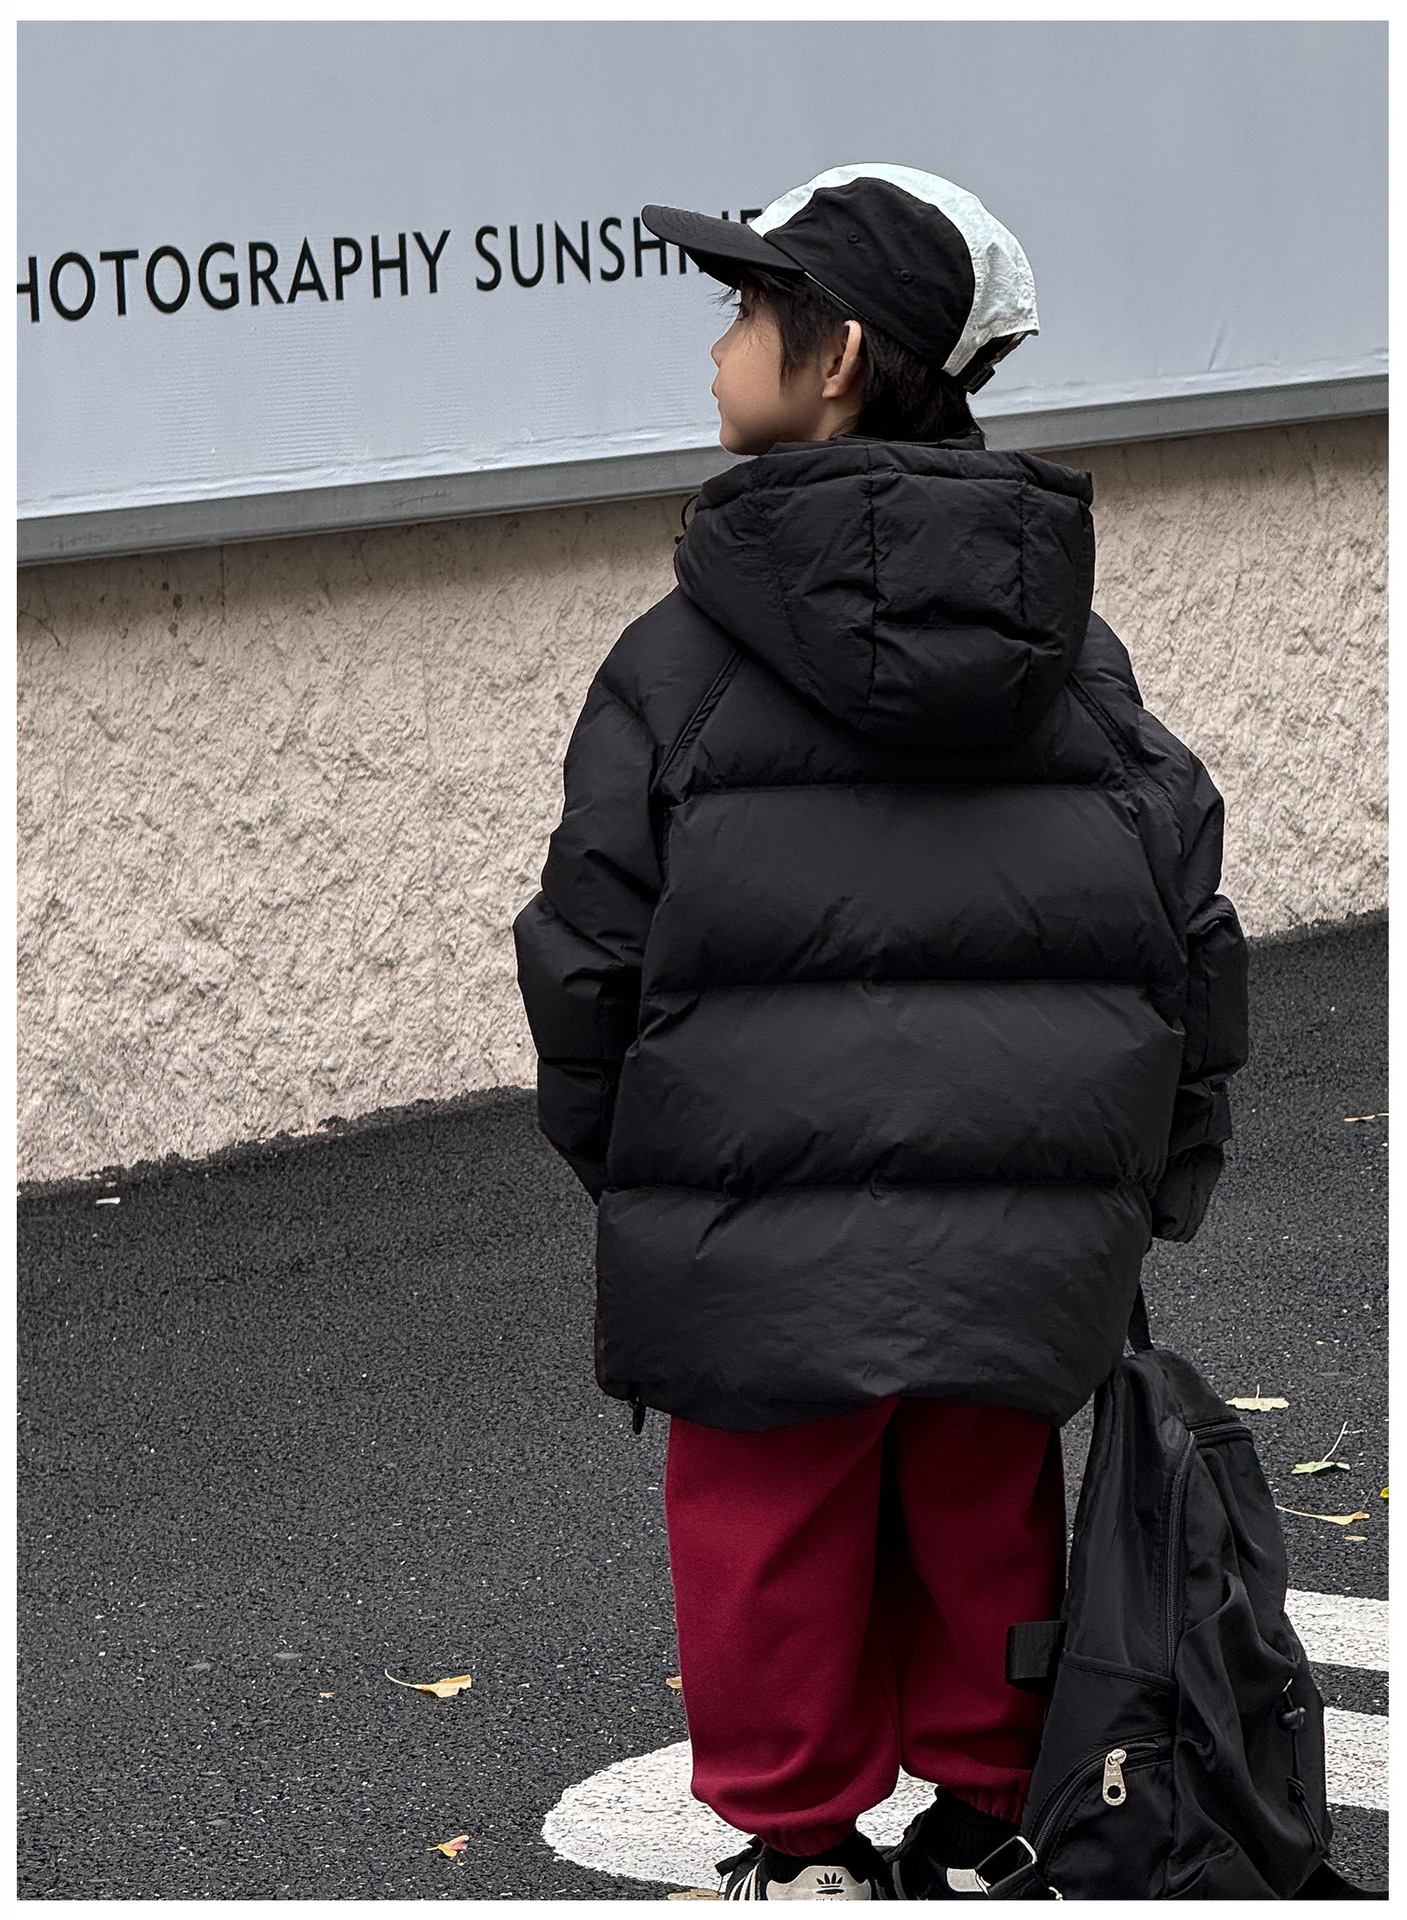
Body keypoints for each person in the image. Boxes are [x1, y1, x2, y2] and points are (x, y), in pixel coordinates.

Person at [513, 164, 1248, 1901]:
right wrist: (1146, 1184)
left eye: (744, 313)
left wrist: (647, 1174)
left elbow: (588, 953)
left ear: (834, 356)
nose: (716, 350)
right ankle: (993, 1816)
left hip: (750, 1219)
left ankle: (802, 1844)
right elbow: (1185, 933)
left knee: (767, 1529)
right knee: (987, 1503)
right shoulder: (1071, 652)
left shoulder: (679, 663)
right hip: (1025, 1226)